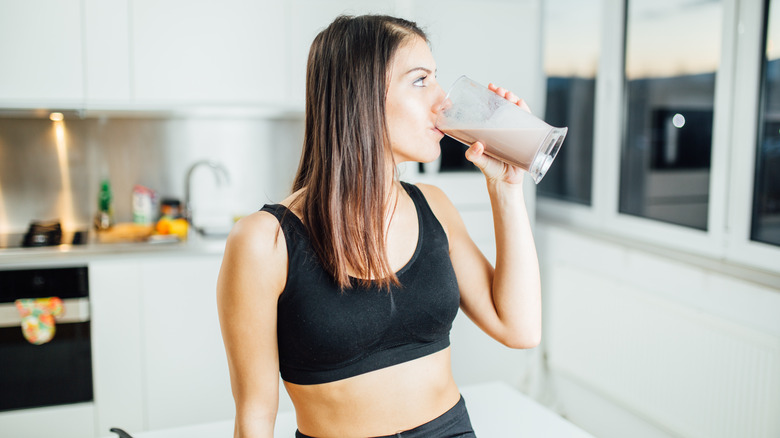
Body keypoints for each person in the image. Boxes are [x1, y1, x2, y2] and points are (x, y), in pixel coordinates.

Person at [217, 14, 542, 438]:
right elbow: (255, 417)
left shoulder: (434, 207)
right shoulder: (266, 241)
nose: (443, 100)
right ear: (361, 94)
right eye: (421, 80)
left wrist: (506, 189)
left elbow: (519, 328)